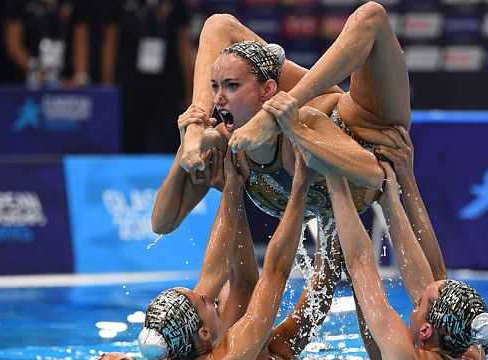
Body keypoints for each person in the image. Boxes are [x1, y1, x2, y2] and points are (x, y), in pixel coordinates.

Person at [151, 1, 412, 236]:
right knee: (218, 24)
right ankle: (198, 120)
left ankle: (251, 116)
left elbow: (374, 175)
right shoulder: (226, 144)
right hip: (315, 114)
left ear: (268, 91)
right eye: (216, 87)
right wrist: (189, 141)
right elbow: (162, 224)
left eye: (231, 86)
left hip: (362, 124)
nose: (219, 98)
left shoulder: (290, 123)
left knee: (371, 15)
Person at [82, 149, 316, 360]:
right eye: (205, 301)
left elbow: (215, 271)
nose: (208, 294)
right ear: (203, 333)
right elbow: (275, 273)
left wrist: (231, 190)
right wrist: (301, 184)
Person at [324, 162, 488, 360]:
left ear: (426, 330)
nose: (414, 303)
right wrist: (392, 197)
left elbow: (359, 264)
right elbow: (437, 281)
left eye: (419, 304)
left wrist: (333, 175)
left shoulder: (408, 359)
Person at [101, 0, 194, 153]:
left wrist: (190, 89)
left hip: (168, 83)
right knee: (131, 141)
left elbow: (184, 43)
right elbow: (110, 42)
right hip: (130, 83)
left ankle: (172, 175)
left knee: (171, 139)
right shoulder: (119, 4)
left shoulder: (177, 4)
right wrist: (108, 89)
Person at [3, 0, 89, 87]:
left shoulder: (76, 3)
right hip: (26, 81)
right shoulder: (18, 3)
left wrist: (79, 77)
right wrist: (36, 70)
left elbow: (80, 43)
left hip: (66, 81)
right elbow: (13, 45)